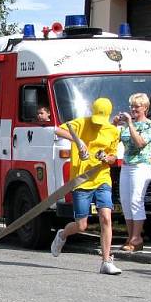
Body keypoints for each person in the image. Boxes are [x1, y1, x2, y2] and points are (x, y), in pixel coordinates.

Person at [51, 98, 122, 275]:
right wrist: (78, 141)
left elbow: (114, 157)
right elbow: (57, 129)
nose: (97, 123)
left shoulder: (113, 131)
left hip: (102, 177)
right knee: (81, 225)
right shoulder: (82, 123)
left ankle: (106, 261)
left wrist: (107, 158)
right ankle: (62, 235)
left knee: (106, 217)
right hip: (82, 179)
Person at [113, 93, 151, 252]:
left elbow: (140, 143)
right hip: (126, 165)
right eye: (132, 106)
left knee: (136, 200)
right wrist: (115, 125)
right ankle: (130, 237)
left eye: (137, 106)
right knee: (125, 201)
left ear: (145, 107)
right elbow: (114, 141)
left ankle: (137, 237)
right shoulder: (125, 125)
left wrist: (130, 124)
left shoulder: (149, 125)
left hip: (141, 166)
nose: (133, 109)